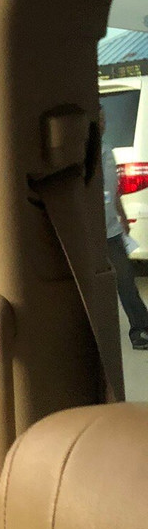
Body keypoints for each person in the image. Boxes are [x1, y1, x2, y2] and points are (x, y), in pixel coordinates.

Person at [101, 108, 148, 349]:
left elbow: (114, 188)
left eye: (104, 118)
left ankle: (141, 330)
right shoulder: (85, 152)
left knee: (126, 282)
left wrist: (122, 215)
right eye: (99, 118)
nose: (103, 123)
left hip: (112, 230)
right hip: (93, 233)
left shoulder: (106, 148)